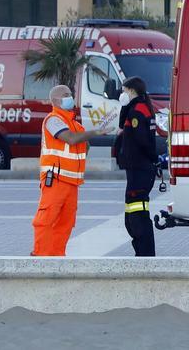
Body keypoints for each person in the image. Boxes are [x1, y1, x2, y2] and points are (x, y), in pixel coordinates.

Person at [32, 85, 111, 257]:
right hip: (56, 178)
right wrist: (96, 131)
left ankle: (57, 256)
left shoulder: (75, 124)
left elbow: (84, 146)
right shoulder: (53, 120)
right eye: (66, 95)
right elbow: (70, 139)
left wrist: (88, 136)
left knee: (66, 223)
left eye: (70, 94)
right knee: (46, 219)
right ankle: (40, 256)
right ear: (55, 101)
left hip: (72, 182)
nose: (70, 98)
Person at [118, 76, 158, 257]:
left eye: (124, 91)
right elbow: (121, 126)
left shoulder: (138, 111)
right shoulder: (136, 108)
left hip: (140, 168)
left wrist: (153, 159)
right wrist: (125, 106)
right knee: (132, 214)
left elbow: (143, 140)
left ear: (132, 91)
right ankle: (142, 252)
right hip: (137, 168)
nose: (122, 94)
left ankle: (145, 255)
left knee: (137, 213)